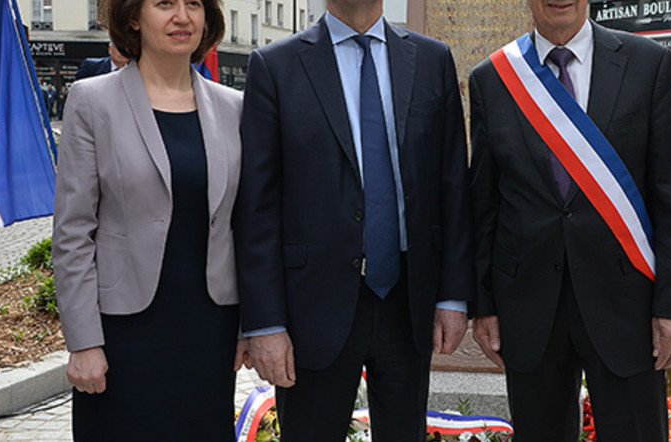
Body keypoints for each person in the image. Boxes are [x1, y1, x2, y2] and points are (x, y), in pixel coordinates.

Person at [234, 0, 474, 440]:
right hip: (312, 309)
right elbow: (256, 208)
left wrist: (454, 296)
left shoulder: (431, 59)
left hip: (407, 302)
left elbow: (452, 185)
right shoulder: (275, 66)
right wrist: (265, 323)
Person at [469, 0, 671, 440]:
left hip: (627, 304)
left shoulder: (647, 64)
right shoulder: (493, 78)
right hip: (529, 305)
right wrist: (485, 304)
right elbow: (484, 203)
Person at [53, 0, 245, 440]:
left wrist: (250, 324)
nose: (182, 16)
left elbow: (244, 224)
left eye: (193, 3)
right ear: (134, 17)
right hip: (123, 334)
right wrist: (83, 342)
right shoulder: (93, 100)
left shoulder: (234, 107)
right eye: (164, 4)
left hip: (208, 331)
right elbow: (72, 232)